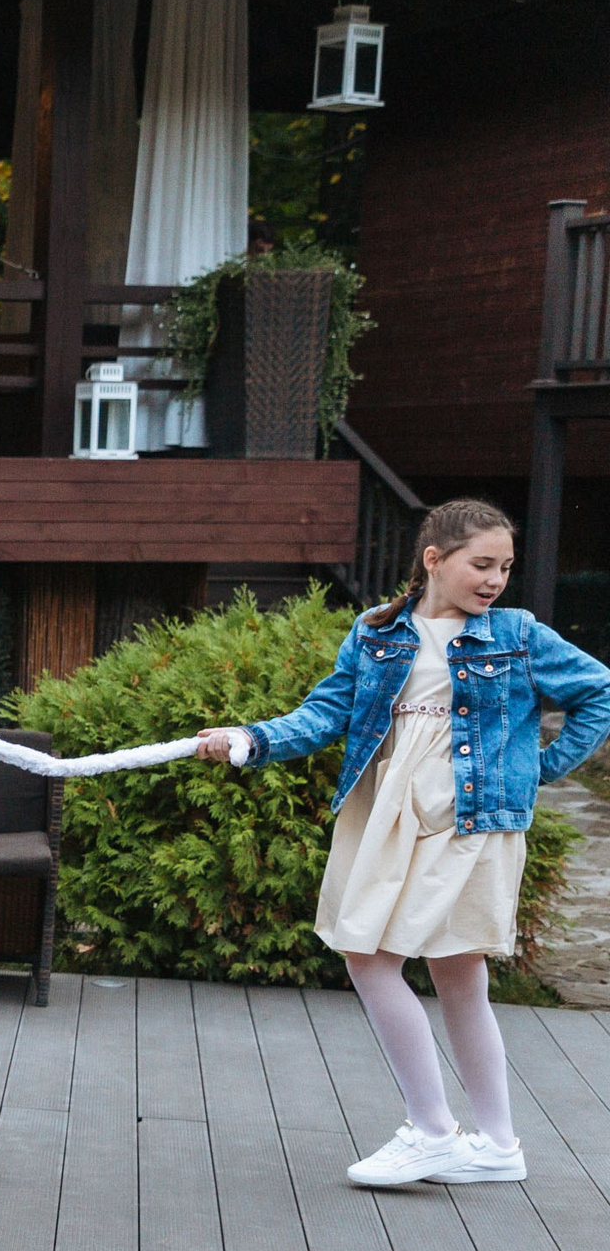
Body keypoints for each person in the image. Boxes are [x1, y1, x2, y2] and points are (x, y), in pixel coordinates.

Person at [196, 500, 610, 1186]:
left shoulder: (516, 633)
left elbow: (598, 692)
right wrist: (251, 739)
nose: (495, 579)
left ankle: (433, 1130)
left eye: (504, 566)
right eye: (482, 563)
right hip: (390, 808)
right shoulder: (377, 630)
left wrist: (535, 769)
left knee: (373, 958)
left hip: (468, 815)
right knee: (454, 972)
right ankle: (498, 1144)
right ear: (434, 559)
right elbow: (328, 711)